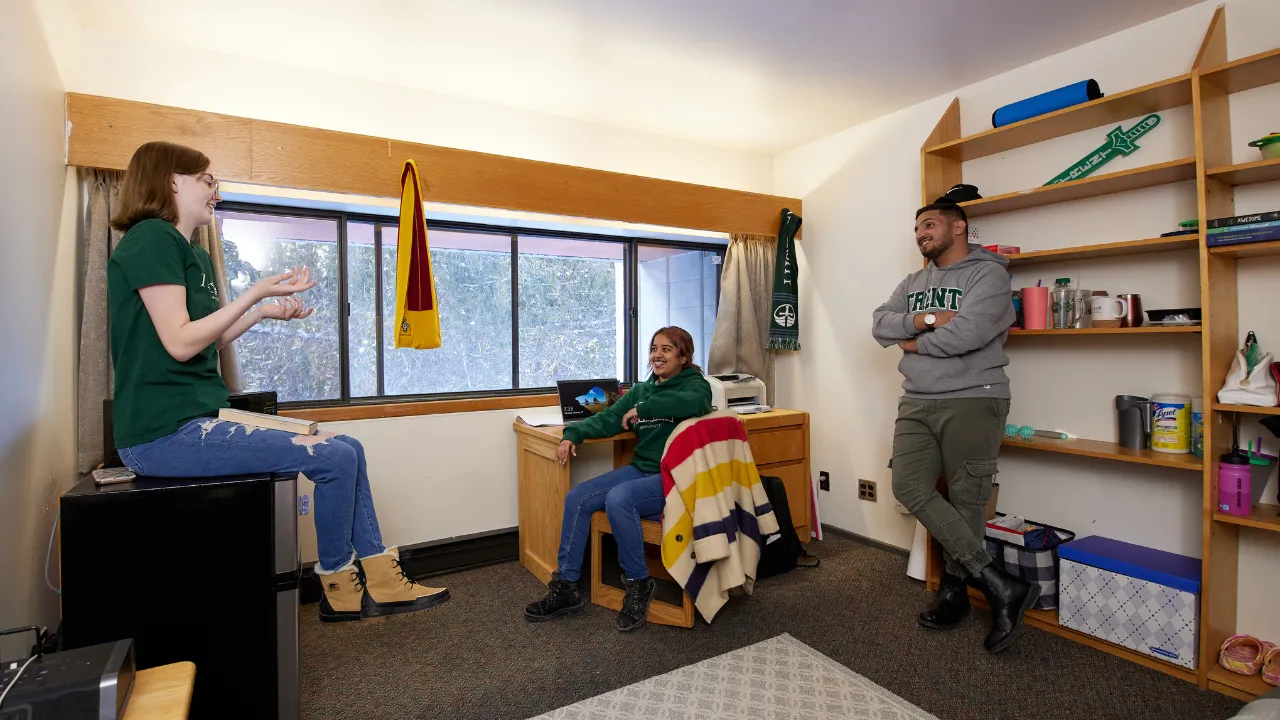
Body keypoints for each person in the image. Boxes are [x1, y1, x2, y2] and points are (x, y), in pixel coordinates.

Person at [107, 141, 448, 623]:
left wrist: (264, 310)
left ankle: (381, 575)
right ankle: (337, 584)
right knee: (330, 454)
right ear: (171, 181)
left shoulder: (194, 256)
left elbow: (212, 337)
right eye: (207, 181)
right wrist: (256, 291)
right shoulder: (150, 239)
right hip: (163, 433)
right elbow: (180, 343)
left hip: (200, 418)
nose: (215, 193)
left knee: (347, 445)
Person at [871, 200, 1036, 654]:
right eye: (917, 227)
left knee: (967, 499)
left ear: (960, 227)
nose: (920, 233)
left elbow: (968, 334)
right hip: (918, 399)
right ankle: (1000, 583)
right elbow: (879, 325)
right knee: (909, 485)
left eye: (930, 224)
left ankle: (955, 591)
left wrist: (911, 342)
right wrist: (925, 319)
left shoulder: (989, 275)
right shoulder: (913, 282)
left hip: (973, 396)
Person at [524, 326, 712, 632]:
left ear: (684, 356)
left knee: (620, 498)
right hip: (643, 469)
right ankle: (566, 587)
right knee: (577, 497)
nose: (657, 355)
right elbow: (608, 417)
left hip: (676, 478)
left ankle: (638, 584)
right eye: (654, 349)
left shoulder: (696, 386)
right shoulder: (642, 389)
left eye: (666, 349)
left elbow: (694, 406)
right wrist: (574, 434)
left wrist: (644, 408)